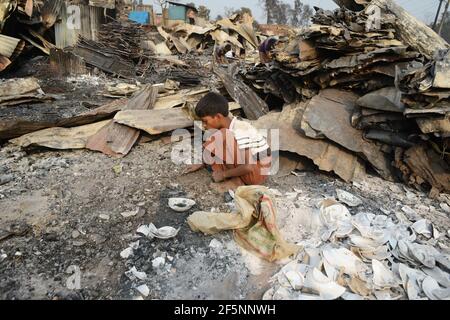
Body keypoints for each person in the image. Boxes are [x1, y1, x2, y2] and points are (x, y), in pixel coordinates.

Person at [185, 92, 272, 189]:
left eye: (205, 121)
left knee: (222, 135)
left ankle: (236, 181)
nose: (204, 125)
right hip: (251, 169)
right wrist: (202, 162)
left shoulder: (240, 128)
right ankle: (236, 179)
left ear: (218, 117)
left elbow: (248, 167)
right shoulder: (230, 127)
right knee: (215, 145)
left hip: (256, 172)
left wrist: (223, 174)